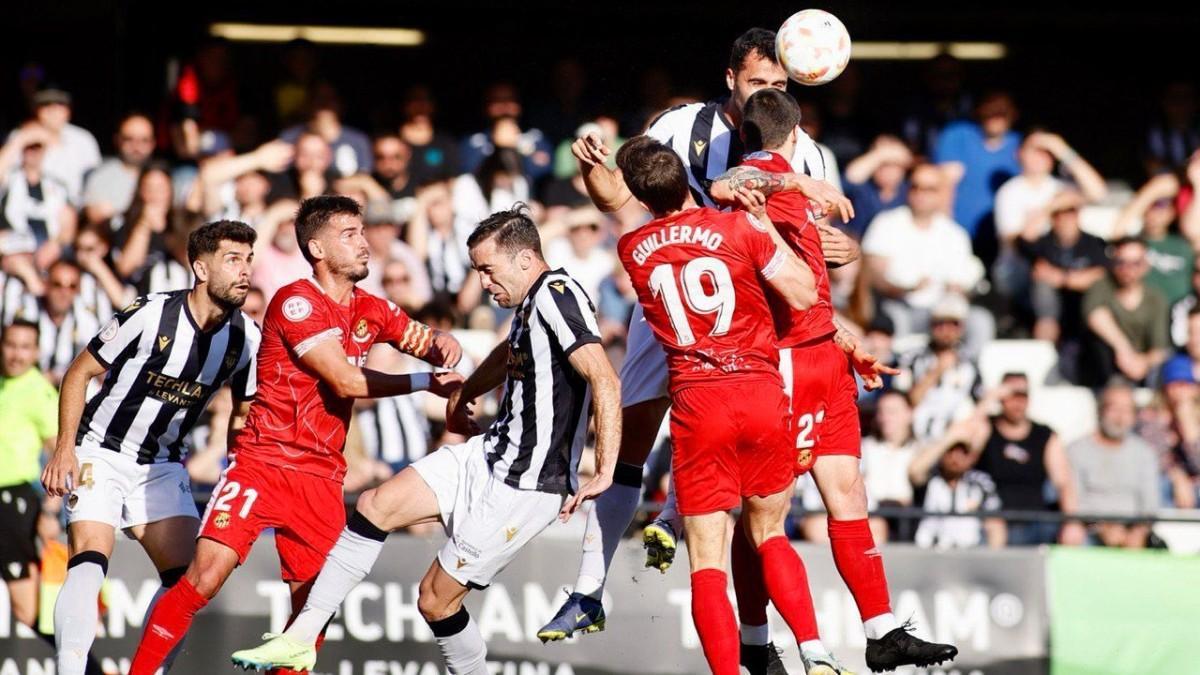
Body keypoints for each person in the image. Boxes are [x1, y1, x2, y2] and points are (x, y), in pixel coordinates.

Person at [557, 29, 879, 675]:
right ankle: (590, 586)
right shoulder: (682, 125)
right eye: (760, 83)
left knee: (744, 498)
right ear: (731, 77)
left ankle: (693, 547)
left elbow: (811, 243)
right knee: (635, 442)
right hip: (697, 307)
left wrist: (841, 250)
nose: (770, 96)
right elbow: (625, 195)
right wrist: (600, 173)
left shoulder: (804, 149)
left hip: (751, 317)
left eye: (782, 87)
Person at [229, 205, 620, 674]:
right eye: (477, 271)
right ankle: (300, 638)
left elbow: (605, 379)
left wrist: (605, 469)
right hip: (487, 455)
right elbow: (508, 353)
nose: (483, 283)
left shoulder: (558, 294)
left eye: (488, 270)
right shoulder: (531, 304)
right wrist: (466, 393)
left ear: (524, 259)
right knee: (374, 504)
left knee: (435, 601)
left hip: (525, 484)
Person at [127, 196, 463, 674]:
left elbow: (424, 340)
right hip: (263, 463)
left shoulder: (372, 309)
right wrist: (425, 380)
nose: (364, 243)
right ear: (317, 248)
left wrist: (442, 349)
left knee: (311, 613)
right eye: (349, 234)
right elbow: (345, 380)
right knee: (204, 577)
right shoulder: (295, 301)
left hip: (323, 478)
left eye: (363, 231)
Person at [712, 89, 955, 672]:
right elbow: (731, 184)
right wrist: (799, 183)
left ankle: (881, 629)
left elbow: (809, 284)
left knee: (848, 493)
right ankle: (757, 639)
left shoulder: (785, 185)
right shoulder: (762, 176)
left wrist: (847, 340)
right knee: (765, 514)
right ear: (795, 135)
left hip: (823, 354)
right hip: (787, 362)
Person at [610, 135, 840, 675]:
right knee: (769, 532)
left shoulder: (632, 248)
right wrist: (763, 227)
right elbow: (805, 292)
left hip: (697, 401)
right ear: (687, 180)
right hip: (758, 391)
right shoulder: (737, 226)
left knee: (706, 561)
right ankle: (816, 651)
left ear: (641, 197)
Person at [39, 220, 261, 675]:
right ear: (200, 267)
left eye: (249, 260)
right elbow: (79, 372)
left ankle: (148, 670)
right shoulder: (151, 314)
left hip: (161, 464)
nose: (245, 271)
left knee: (189, 581)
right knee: (90, 556)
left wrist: (239, 469)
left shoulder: (246, 338)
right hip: (100, 448)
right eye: (233, 259)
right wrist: (66, 448)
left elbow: (243, 412)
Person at [861, 162, 988, 347]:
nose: (920, 194)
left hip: (943, 311)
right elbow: (872, 273)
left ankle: (964, 373)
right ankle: (899, 373)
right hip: (899, 306)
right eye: (915, 187)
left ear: (941, 194)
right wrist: (905, 289)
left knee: (980, 322)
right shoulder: (886, 224)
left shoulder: (954, 234)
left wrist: (960, 290)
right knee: (894, 319)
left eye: (929, 189)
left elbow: (965, 277)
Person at [0, 319, 61, 651]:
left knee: (28, 610)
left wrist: (51, 510)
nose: (16, 354)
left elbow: (60, 456)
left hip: (13, 503)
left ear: (36, 352)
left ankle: (89, 668)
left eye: (25, 347)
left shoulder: (38, 391)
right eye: (11, 345)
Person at [992, 131, 1106, 305]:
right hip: (1020, 271)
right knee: (1043, 282)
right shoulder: (1009, 192)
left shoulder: (1061, 186)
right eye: (1034, 150)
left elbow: (1098, 193)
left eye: (1046, 152)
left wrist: (1063, 150)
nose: (1040, 156)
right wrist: (1052, 207)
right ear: (1019, 153)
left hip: (1064, 268)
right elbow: (1017, 243)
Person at [971, 374, 1081, 545]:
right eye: (1011, 395)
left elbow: (1063, 482)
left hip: (1036, 523)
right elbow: (964, 437)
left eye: (1023, 395)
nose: (1018, 402)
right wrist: (989, 400)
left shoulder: (1044, 436)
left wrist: (1072, 523)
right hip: (991, 522)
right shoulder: (985, 429)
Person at [1067, 383, 1161, 548]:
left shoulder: (1144, 453)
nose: (1120, 417)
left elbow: (1150, 505)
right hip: (1090, 529)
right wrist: (1101, 527)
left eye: (1127, 410)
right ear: (1100, 410)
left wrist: (1137, 532)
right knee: (1072, 535)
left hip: (1133, 531)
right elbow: (1074, 501)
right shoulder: (1076, 451)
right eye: (1114, 408)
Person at [1018, 189, 1108, 347]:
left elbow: (1102, 275)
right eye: (1059, 213)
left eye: (1071, 211)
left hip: (1083, 307)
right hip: (1051, 312)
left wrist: (1063, 279)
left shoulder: (1093, 242)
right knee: (1042, 287)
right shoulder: (1044, 242)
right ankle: (1046, 350)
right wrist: (1049, 207)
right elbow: (1025, 238)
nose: (1066, 218)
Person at [934, 91, 1022, 249]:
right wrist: (944, 229)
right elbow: (946, 184)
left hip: (1004, 239)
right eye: (989, 113)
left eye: (1001, 113)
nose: (994, 119)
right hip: (960, 234)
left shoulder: (1020, 145)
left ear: (1012, 115)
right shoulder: (958, 135)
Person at [894, 293, 983, 442]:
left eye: (953, 324)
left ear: (962, 328)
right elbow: (903, 402)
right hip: (914, 437)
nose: (946, 330)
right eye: (940, 323)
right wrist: (936, 371)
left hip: (954, 440)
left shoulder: (970, 364)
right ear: (931, 325)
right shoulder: (911, 359)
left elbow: (978, 406)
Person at [1083, 237, 1171, 386]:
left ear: (1146, 266)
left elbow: (1160, 349)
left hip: (1142, 368)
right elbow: (1095, 316)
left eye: (1135, 263)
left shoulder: (1156, 298)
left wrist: (1141, 362)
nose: (1127, 269)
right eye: (1121, 262)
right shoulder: (1102, 286)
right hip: (1106, 366)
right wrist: (1123, 348)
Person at [908, 423, 1006, 550]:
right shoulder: (931, 479)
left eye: (963, 452)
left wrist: (992, 560)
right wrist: (949, 438)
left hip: (969, 555)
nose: (955, 458)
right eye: (950, 451)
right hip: (929, 553)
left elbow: (995, 523)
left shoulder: (981, 482)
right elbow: (915, 471)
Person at [11, 86, 101, 203]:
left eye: (59, 105)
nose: (52, 110)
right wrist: (21, 139)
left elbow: (96, 179)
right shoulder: (21, 135)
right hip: (29, 208)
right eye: (46, 105)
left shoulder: (83, 139)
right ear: (36, 111)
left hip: (76, 210)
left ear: (68, 111)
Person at [81, 113, 156, 225]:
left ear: (153, 143)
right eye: (129, 139)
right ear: (117, 140)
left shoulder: (160, 175)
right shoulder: (102, 176)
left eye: (144, 140)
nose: (137, 146)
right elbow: (94, 214)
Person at [34, 260, 101, 385]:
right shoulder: (30, 312)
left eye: (72, 286)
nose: (64, 293)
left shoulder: (86, 320)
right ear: (46, 285)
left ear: (78, 290)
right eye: (57, 284)